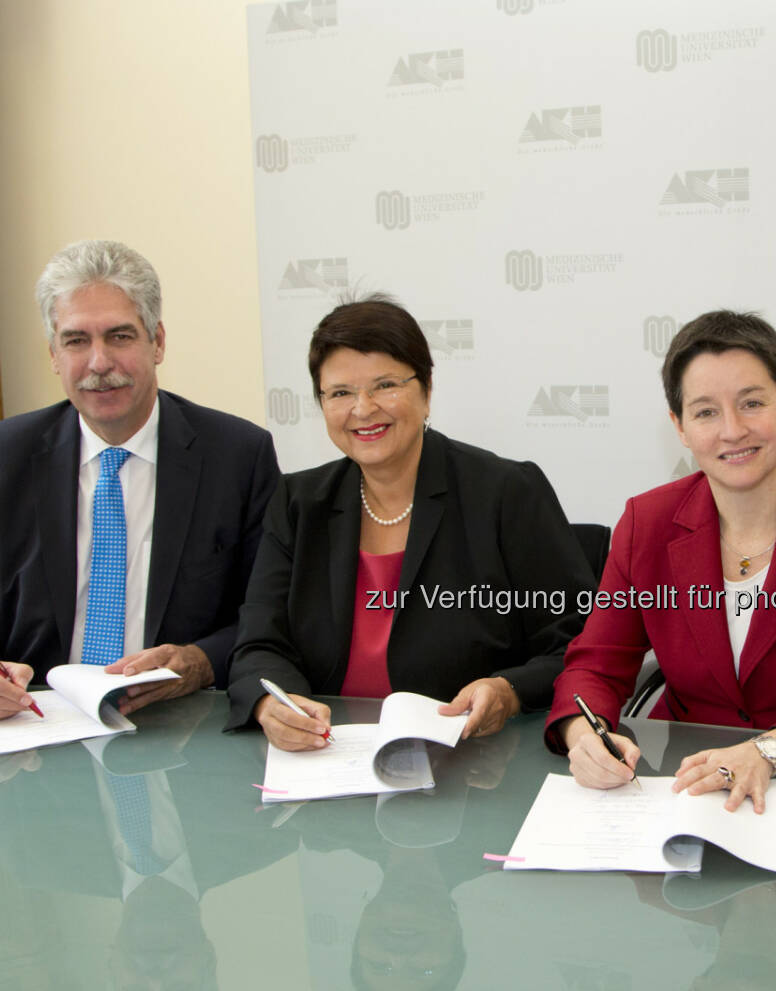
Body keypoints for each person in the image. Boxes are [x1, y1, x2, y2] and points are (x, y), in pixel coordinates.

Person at [547, 310, 776, 812]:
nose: (732, 431)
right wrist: (582, 734)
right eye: (705, 412)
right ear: (678, 426)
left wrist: (769, 750)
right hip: (687, 780)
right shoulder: (646, 522)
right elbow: (598, 664)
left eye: (752, 403)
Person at [0, 240, 280, 720]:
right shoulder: (1, 456)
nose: (99, 363)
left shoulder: (237, 455)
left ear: (157, 342)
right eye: (76, 341)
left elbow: (270, 613)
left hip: (177, 725)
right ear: (53, 353)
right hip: (35, 725)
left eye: (119, 337)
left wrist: (200, 662)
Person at [227, 295, 595, 747]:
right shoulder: (299, 502)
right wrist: (273, 704)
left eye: (385, 385)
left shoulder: (505, 492)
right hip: (329, 757)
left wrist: (510, 691)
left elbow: (580, 638)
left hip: (475, 762)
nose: (362, 409)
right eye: (340, 392)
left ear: (426, 390)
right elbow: (260, 642)